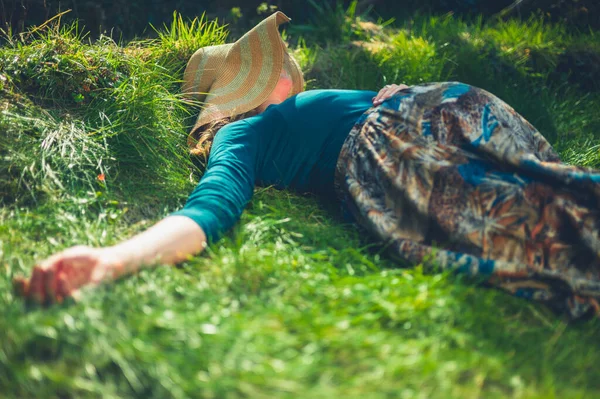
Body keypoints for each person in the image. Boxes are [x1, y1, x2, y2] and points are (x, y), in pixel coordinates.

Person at [13, 12, 600, 319]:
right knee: (550, 225)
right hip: (411, 150)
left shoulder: (292, 112)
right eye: (281, 70)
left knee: (563, 194)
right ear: (252, 87)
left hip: (456, 115)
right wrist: (115, 259)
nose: (293, 75)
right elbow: (211, 208)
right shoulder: (243, 135)